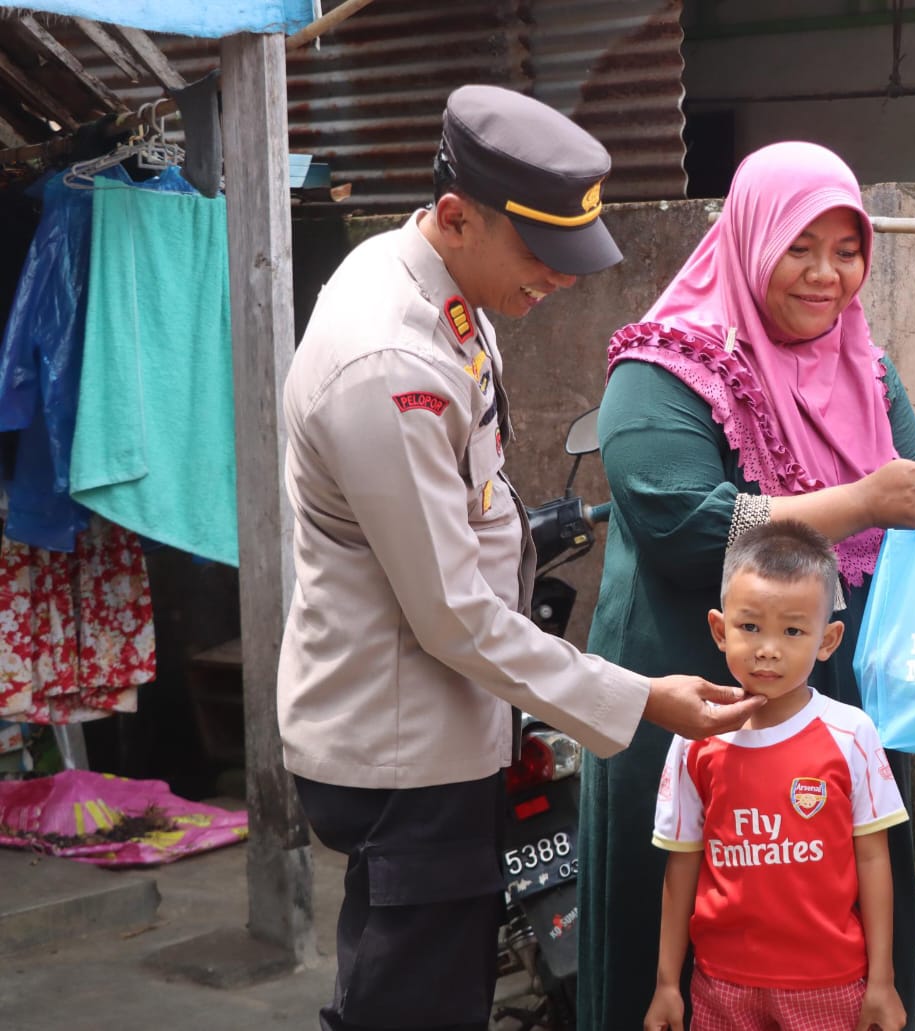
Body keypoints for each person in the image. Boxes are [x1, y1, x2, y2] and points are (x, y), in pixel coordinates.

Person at [277, 85, 763, 1031]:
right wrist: (637, 696)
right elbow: (452, 613)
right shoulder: (391, 359)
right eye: (542, 253)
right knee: (412, 1006)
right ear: (456, 215)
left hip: (438, 721)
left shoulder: (439, 288)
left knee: (432, 984)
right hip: (402, 746)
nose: (561, 280)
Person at [578, 141, 915, 1031]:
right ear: (749, 240)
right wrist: (861, 500)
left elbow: (913, 518)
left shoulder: (867, 372)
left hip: (836, 710)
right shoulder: (660, 371)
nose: (827, 275)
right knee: (681, 931)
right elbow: (688, 526)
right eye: (800, 247)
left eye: (847, 250)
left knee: (841, 934)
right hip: (695, 704)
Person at [645, 520, 909, 1031]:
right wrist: (667, 984)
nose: (768, 648)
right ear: (720, 630)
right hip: (720, 985)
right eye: (750, 627)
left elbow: (875, 859)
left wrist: (882, 980)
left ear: (828, 640)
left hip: (830, 985)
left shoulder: (852, 734)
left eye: (792, 631)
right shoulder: (695, 738)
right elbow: (682, 865)